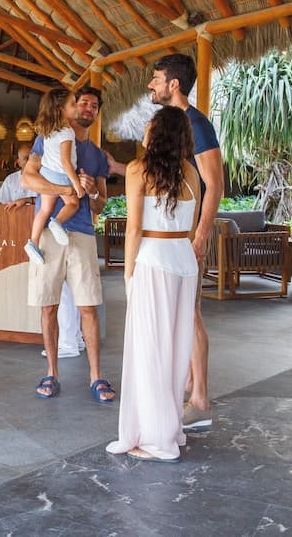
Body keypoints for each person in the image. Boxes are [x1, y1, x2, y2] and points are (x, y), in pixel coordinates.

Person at [106, 106, 201, 463]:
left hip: (152, 260)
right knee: (175, 349)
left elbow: (133, 228)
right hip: (183, 261)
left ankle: (157, 440)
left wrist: (128, 274)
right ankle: (168, 430)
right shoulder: (191, 172)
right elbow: (191, 228)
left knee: (149, 350)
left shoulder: (138, 169)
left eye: (148, 126)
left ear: (157, 133)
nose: (144, 131)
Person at [21, 86, 114, 402]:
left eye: (94, 105)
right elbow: (27, 179)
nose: (88, 108)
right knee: (48, 306)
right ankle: (51, 372)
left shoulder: (97, 155)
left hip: (83, 232)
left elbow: (100, 203)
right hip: (49, 232)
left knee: (88, 306)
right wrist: (65, 189)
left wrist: (91, 190)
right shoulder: (46, 137)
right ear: (72, 107)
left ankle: (96, 376)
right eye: (83, 102)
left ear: (97, 112)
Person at [149, 54, 223, 432]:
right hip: (171, 236)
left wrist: (201, 234)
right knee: (183, 315)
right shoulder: (172, 125)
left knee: (190, 315)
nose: (151, 85)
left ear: (173, 84)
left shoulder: (196, 124)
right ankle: (191, 387)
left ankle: (201, 401)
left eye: (156, 79)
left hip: (187, 237)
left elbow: (215, 183)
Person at [0, 144, 84, 359]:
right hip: (42, 232)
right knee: (61, 290)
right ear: (18, 161)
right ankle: (72, 339)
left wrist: (27, 200)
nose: (28, 161)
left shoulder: (51, 173)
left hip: (56, 232)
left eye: (31, 157)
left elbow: (48, 197)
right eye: (25, 158)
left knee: (65, 290)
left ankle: (70, 341)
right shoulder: (13, 179)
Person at [25, 88, 86, 265]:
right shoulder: (67, 132)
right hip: (61, 175)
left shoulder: (48, 130)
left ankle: (33, 242)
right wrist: (76, 184)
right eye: (73, 104)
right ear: (61, 109)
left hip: (46, 174)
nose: (76, 107)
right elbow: (65, 162)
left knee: (44, 210)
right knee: (73, 204)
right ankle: (57, 222)